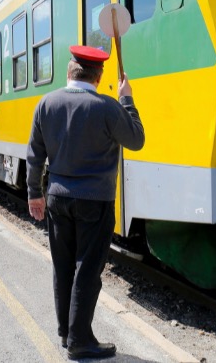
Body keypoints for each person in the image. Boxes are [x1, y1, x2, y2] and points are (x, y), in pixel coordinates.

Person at [26, 45, 145, 360]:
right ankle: (80, 340)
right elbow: (136, 140)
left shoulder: (46, 103)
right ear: (99, 75)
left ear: (69, 72)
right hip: (94, 202)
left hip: (57, 198)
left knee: (63, 266)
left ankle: (66, 332)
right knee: (87, 270)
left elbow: (34, 154)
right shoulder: (106, 107)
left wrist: (33, 193)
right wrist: (127, 98)